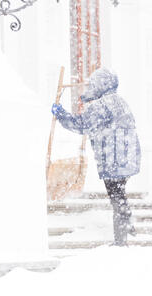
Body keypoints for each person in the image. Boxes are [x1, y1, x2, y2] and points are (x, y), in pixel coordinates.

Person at [51, 68, 141, 246]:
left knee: (116, 198)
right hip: (127, 158)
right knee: (119, 194)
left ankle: (121, 241)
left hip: (113, 158)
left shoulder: (101, 105)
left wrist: (61, 114)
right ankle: (127, 220)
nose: (90, 86)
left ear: (102, 85)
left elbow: (82, 125)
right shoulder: (119, 101)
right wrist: (87, 99)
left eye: (93, 84)